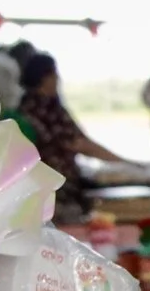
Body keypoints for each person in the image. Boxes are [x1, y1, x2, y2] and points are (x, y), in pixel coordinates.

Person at [12, 49, 101, 215]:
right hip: (57, 192)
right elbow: (80, 143)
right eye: (54, 75)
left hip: (37, 192)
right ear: (44, 77)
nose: (57, 79)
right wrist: (128, 163)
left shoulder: (24, 108)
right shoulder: (46, 110)